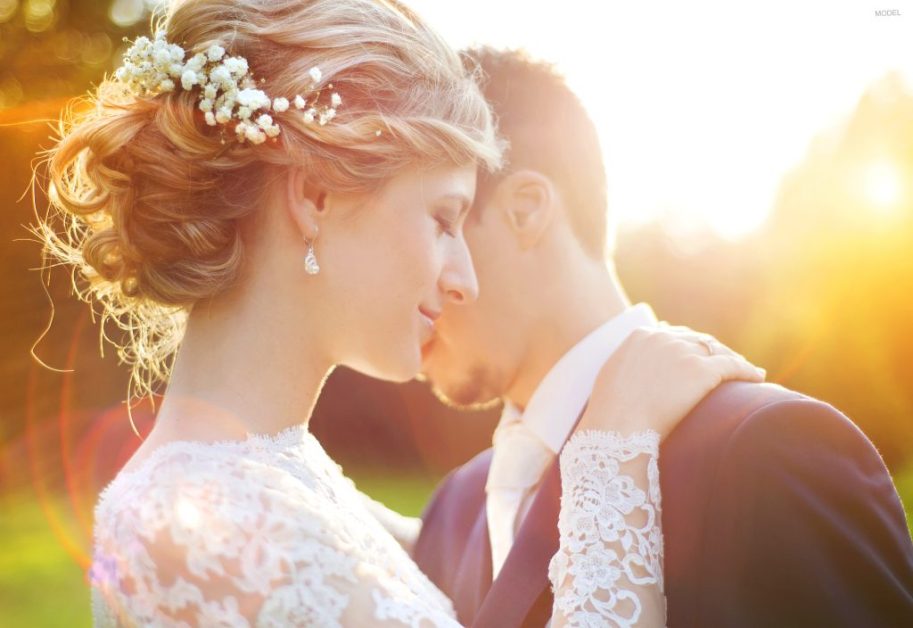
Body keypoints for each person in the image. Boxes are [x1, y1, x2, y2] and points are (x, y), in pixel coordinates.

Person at [34, 1, 764, 626]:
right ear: (315, 197)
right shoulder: (196, 523)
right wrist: (611, 444)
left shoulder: (279, 476)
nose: (464, 279)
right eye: (443, 219)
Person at [414, 47, 913, 627]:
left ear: (525, 211)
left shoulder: (771, 450)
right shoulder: (452, 510)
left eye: (439, 224)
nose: (406, 287)